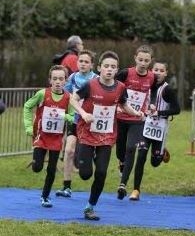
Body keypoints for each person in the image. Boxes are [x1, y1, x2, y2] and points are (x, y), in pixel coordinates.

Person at [71, 50, 144, 221]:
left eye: (113, 67)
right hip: (87, 132)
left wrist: (136, 113)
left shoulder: (120, 87)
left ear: (116, 69)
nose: (109, 69)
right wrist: (83, 113)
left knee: (102, 172)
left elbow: (124, 105)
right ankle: (81, 156)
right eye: (106, 66)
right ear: (100, 68)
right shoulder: (90, 85)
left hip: (106, 136)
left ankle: (90, 207)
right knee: (85, 174)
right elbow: (73, 99)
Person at [124, 60, 181, 201]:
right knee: (141, 156)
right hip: (144, 126)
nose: (158, 73)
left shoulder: (167, 90)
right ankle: (136, 190)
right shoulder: (145, 85)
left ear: (166, 73)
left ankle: (161, 153)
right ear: (151, 70)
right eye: (156, 69)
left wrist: (160, 113)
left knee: (154, 162)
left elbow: (177, 109)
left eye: (162, 70)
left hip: (160, 128)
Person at [24, 65, 74, 208]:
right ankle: (36, 162)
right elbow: (27, 106)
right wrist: (28, 126)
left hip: (56, 139)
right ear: (50, 80)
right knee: (37, 167)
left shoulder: (68, 97)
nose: (58, 82)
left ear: (65, 81)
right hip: (41, 136)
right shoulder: (42, 94)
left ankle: (45, 197)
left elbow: (72, 115)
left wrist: (65, 116)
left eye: (61, 79)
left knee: (51, 169)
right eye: (55, 79)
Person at [56, 50, 97, 197]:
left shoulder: (96, 79)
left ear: (92, 64)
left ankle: (96, 182)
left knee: (89, 156)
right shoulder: (73, 77)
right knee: (69, 150)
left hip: (90, 122)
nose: (83, 64)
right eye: (81, 61)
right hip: (75, 120)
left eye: (86, 62)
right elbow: (64, 95)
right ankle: (66, 186)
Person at [116, 45, 155, 200]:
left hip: (137, 119)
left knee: (131, 148)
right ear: (135, 58)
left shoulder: (152, 77)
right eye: (140, 60)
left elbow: (155, 91)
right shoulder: (126, 73)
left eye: (146, 60)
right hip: (120, 117)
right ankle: (121, 163)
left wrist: (151, 104)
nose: (143, 63)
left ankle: (122, 185)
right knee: (120, 151)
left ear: (150, 61)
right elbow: (112, 86)